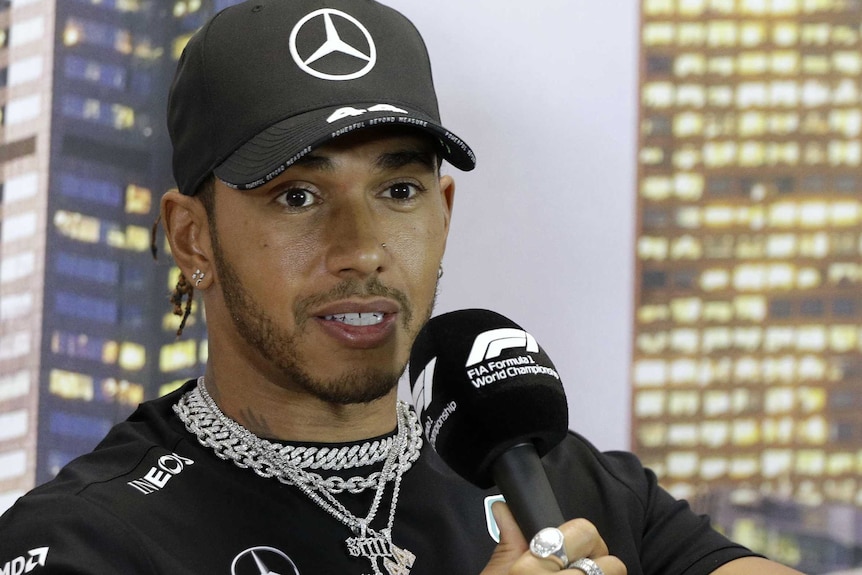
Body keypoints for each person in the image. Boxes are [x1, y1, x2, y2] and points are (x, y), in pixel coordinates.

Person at [0, 1, 806, 574]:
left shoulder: (563, 481)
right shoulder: (88, 540)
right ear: (192, 237)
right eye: (298, 196)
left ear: (444, 212)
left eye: (398, 191)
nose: (363, 251)